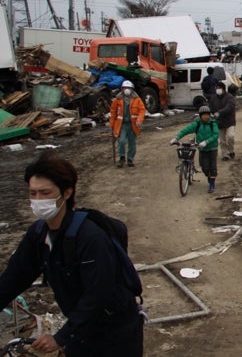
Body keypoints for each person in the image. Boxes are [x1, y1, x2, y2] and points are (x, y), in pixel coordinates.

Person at [0, 151, 144, 356]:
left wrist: (60, 338)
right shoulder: (39, 234)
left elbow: (98, 294)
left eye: (45, 193)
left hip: (115, 334)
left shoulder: (90, 237)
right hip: (81, 331)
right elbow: (14, 277)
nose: (38, 200)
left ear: (66, 193)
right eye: (33, 193)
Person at [171, 106, 220, 193]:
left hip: (212, 148)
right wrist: (177, 138)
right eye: (204, 115)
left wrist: (207, 142)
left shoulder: (213, 124)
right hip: (202, 150)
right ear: (200, 116)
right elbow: (186, 130)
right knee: (204, 168)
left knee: (212, 168)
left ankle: (211, 184)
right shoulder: (197, 124)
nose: (206, 117)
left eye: (207, 115)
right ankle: (209, 176)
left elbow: (216, 135)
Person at [109, 80, 146, 168]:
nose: (127, 90)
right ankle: (122, 157)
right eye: (125, 88)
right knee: (121, 141)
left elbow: (142, 110)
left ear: (132, 89)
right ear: (122, 89)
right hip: (122, 125)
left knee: (132, 142)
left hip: (133, 125)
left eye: (128, 88)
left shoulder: (137, 99)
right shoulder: (117, 100)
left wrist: (139, 120)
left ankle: (130, 159)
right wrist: (112, 124)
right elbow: (113, 112)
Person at [209, 81, 236, 161]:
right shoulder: (214, 98)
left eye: (219, 88)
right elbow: (210, 107)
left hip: (229, 121)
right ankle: (225, 155)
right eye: (216, 88)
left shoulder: (229, 97)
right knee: (222, 140)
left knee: (230, 136)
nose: (217, 90)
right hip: (219, 122)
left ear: (223, 89)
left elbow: (229, 107)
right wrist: (211, 113)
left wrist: (219, 113)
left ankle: (231, 150)